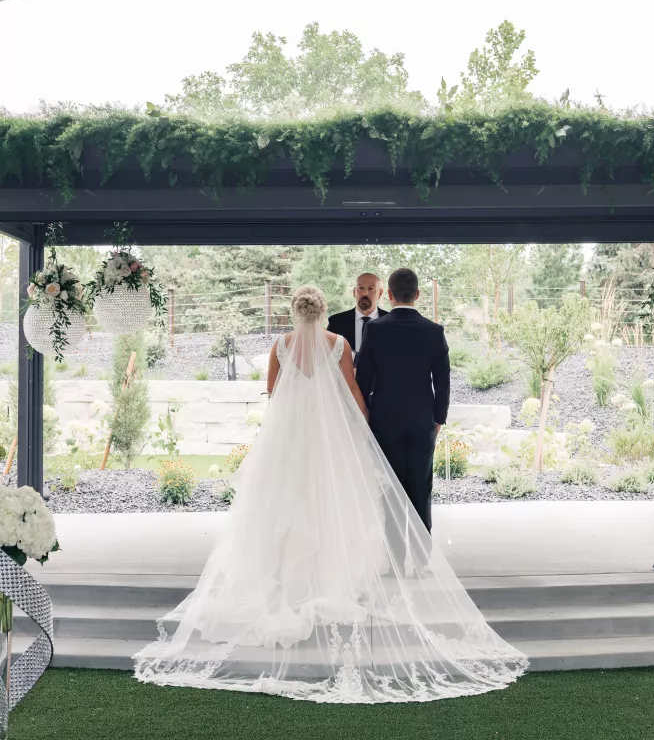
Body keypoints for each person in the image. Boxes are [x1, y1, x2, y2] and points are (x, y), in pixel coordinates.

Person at [133, 284, 526, 703]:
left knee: (283, 504)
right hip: (329, 438)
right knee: (333, 499)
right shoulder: (338, 344)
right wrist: (364, 421)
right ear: (322, 314)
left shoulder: (280, 344)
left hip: (289, 439)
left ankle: (283, 577)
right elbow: (353, 390)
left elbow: (273, 392)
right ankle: (332, 574)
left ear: (295, 312)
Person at [355, 267, 451, 566]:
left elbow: (363, 380)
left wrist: (369, 417)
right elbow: (443, 382)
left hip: (384, 422)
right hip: (423, 422)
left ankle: (395, 561)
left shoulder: (376, 329)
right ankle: (422, 560)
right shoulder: (434, 332)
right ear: (418, 295)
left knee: (390, 491)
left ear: (390, 295)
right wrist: (438, 420)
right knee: (421, 487)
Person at [327, 272, 388, 366]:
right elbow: (328, 358)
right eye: (361, 288)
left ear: (380, 293)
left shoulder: (390, 321)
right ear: (354, 292)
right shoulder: (336, 322)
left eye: (371, 289)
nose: (365, 293)